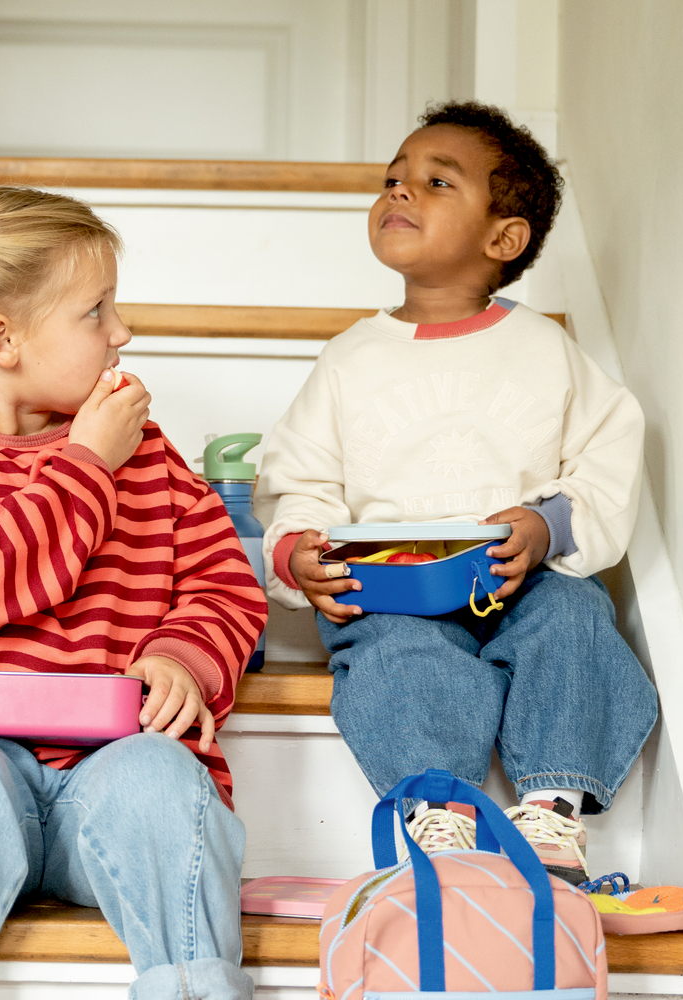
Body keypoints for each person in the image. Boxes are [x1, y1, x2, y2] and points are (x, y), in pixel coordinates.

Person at [0, 162, 268, 1000]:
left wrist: (183, 656)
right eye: (96, 311)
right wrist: (84, 465)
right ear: (4, 342)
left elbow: (224, 583)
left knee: (160, 777)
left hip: (111, 777)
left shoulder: (146, 453)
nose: (123, 331)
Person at [254, 102, 657, 884]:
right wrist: (298, 550)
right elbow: (298, 477)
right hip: (390, 589)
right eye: (393, 179)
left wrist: (547, 527)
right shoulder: (349, 359)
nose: (399, 191)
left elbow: (607, 450)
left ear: (502, 239)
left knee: (576, 616)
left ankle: (552, 806)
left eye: (437, 182)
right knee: (392, 656)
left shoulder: (544, 348)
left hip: (518, 575)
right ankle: (442, 812)